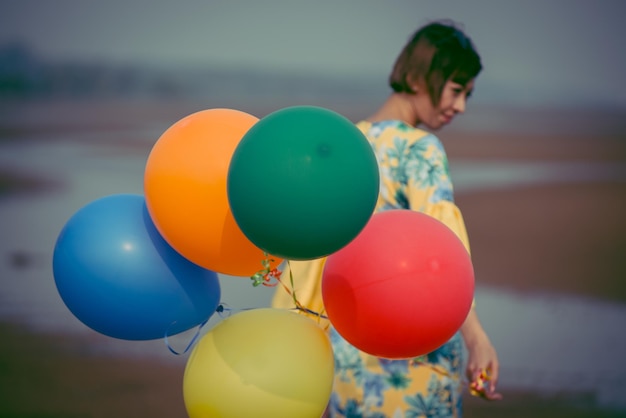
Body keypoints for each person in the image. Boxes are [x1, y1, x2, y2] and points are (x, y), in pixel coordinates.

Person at [272, 19, 502, 417]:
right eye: (456, 90)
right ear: (419, 77)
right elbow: (446, 255)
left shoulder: (348, 146)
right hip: (414, 342)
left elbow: (316, 252)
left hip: (348, 342)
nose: (461, 106)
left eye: (468, 95)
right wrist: (477, 338)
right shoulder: (420, 149)